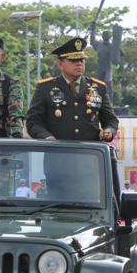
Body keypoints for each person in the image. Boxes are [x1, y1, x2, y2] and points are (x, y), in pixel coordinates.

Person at [26, 37, 120, 199]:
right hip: (58, 162)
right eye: (74, 60)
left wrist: (108, 132)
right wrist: (46, 137)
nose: (79, 64)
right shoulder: (46, 88)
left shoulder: (97, 88)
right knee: (60, 208)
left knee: (90, 205)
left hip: (90, 162)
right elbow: (33, 121)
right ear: (60, 64)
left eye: (82, 60)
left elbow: (111, 120)